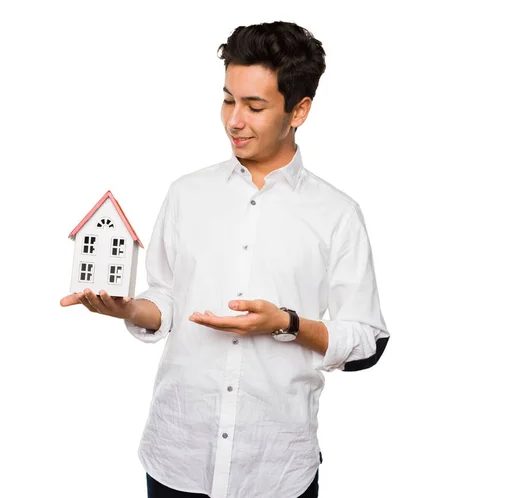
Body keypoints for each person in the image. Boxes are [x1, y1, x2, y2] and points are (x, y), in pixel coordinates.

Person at [61, 20, 390, 498]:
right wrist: (130, 308)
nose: (234, 120)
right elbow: (167, 296)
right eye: (228, 99)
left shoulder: (337, 215)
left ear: (299, 111)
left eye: (255, 106)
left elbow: (368, 341)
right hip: (178, 456)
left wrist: (288, 323)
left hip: (276, 469)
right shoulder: (186, 193)